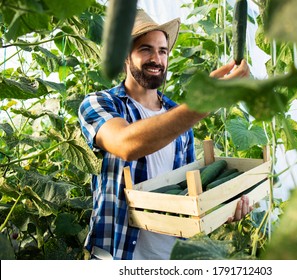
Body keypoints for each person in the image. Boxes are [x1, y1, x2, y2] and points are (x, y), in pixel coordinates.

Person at [78, 8, 251, 260]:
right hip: (117, 254)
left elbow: (189, 190)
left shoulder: (176, 116)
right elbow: (126, 143)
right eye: (145, 49)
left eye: (162, 51)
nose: (156, 59)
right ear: (126, 56)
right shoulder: (99, 104)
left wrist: (221, 207)